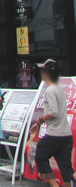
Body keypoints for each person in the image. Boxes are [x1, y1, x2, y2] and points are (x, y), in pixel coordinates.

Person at [31, 59, 76, 187]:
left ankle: (54, 185)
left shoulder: (50, 90)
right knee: (66, 167)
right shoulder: (60, 89)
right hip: (66, 134)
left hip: (54, 134)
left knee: (40, 156)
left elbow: (53, 112)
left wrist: (39, 121)